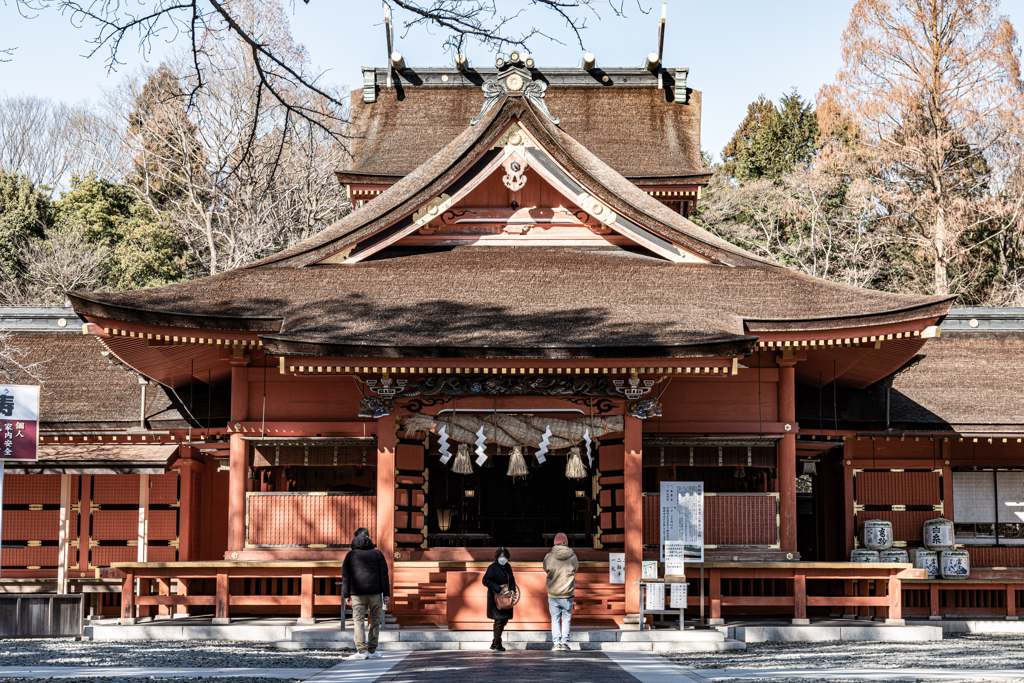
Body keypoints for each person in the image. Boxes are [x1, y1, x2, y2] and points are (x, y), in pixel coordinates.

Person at [341, 527, 390, 660]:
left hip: (357, 594)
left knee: (358, 621)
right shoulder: (378, 553)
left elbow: (345, 576)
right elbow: (384, 575)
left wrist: (346, 595)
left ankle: (362, 652)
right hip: (375, 594)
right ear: (369, 538)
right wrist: (386, 593)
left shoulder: (350, 555)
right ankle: (372, 650)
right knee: (375, 621)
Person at [543, 532, 578, 651]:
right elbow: (576, 568)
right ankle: (565, 643)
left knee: (555, 618)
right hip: (568, 593)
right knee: (567, 618)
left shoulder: (549, 556)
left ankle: (556, 643)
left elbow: (545, 568)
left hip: (553, 593)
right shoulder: (573, 556)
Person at [481, 547, 516, 652]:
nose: (503, 559)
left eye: (504, 556)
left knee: (503, 620)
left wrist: (513, 589)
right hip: (496, 598)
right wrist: (498, 589)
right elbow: (485, 580)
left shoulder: (508, 567)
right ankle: (498, 644)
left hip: (506, 597)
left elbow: (512, 580)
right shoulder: (492, 567)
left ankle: (494, 642)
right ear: (497, 557)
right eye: (500, 556)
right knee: (499, 620)